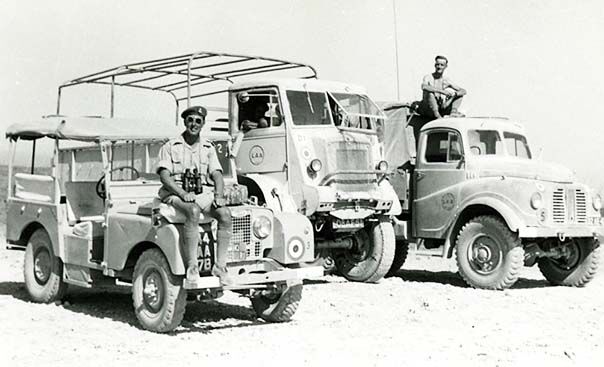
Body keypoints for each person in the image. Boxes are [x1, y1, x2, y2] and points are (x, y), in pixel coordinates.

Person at [156, 106, 233, 285]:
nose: (194, 124)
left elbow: (217, 174)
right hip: (174, 193)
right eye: (190, 120)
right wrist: (182, 193)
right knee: (192, 211)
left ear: (203, 123)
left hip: (201, 193)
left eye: (198, 121)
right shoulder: (170, 146)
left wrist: (219, 195)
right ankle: (192, 266)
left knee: (225, 214)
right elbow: (164, 176)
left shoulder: (208, 147)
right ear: (185, 122)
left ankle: (220, 266)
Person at [418, 55, 466, 119]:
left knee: (459, 94)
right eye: (437, 64)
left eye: (442, 65)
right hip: (428, 109)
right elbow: (424, 87)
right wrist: (442, 91)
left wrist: (453, 96)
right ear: (435, 65)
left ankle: (453, 113)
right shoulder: (428, 77)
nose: (439, 67)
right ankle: (437, 116)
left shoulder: (446, 80)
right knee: (430, 93)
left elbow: (463, 91)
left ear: (445, 66)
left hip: (440, 106)